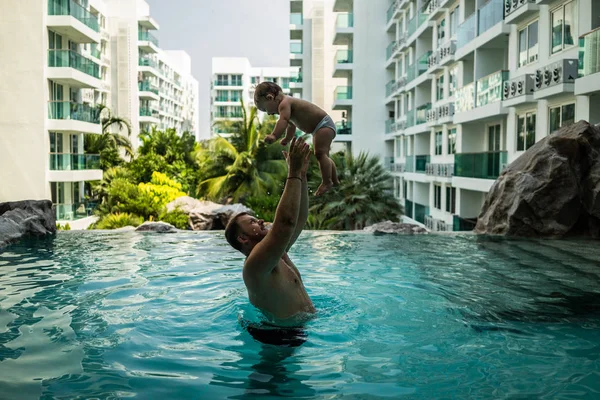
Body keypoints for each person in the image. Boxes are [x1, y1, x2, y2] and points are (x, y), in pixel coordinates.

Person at [225, 137, 316, 328]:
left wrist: (302, 175)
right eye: (252, 222)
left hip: (297, 331)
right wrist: (292, 174)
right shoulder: (255, 265)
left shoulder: (277, 254)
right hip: (278, 337)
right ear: (243, 238)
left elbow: (298, 219)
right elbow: (285, 223)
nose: (259, 220)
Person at [254, 81, 339, 196]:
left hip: (323, 125)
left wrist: (274, 135)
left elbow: (283, 121)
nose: (268, 114)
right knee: (323, 155)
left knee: (320, 154)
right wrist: (287, 139)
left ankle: (327, 182)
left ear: (270, 98)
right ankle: (334, 180)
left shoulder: (285, 103)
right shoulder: (286, 105)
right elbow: (291, 125)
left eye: (265, 109)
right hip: (321, 127)